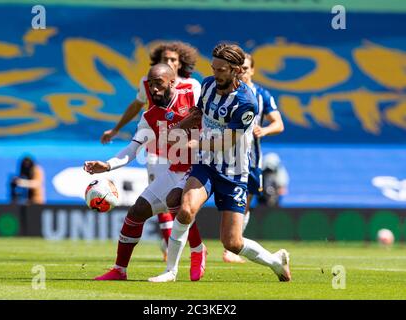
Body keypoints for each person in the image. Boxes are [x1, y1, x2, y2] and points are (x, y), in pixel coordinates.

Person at [149, 43, 291, 283]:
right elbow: (197, 114)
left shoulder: (247, 102)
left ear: (236, 70)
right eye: (214, 68)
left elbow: (227, 142)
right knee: (185, 209)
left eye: (221, 69)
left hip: (233, 173)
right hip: (205, 164)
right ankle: (170, 271)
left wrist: (192, 145)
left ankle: (275, 261)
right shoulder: (207, 85)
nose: (216, 73)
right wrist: (175, 130)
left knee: (232, 243)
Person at [84, 64, 207, 281]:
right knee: (136, 212)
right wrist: (108, 165)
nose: (154, 90)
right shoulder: (150, 117)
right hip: (175, 169)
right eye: (150, 85)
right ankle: (119, 270)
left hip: (200, 168)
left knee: (177, 202)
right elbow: (132, 149)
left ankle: (197, 251)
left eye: (158, 84)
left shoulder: (192, 95)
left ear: (172, 82)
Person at [101, 42, 201, 260]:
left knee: (178, 202)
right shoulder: (148, 83)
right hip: (155, 144)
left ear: (180, 64)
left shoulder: (191, 87)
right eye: (165, 59)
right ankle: (170, 247)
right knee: (162, 200)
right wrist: (116, 130)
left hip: (189, 152)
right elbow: (137, 106)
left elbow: (203, 116)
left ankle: (195, 248)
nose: (169, 63)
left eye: (173, 60)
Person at [222, 53, 285, 263]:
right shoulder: (225, 91)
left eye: (247, 68)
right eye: (240, 68)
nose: (243, 71)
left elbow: (279, 123)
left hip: (250, 161)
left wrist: (264, 131)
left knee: (243, 205)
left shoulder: (262, 95)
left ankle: (232, 246)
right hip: (221, 156)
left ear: (253, 70)